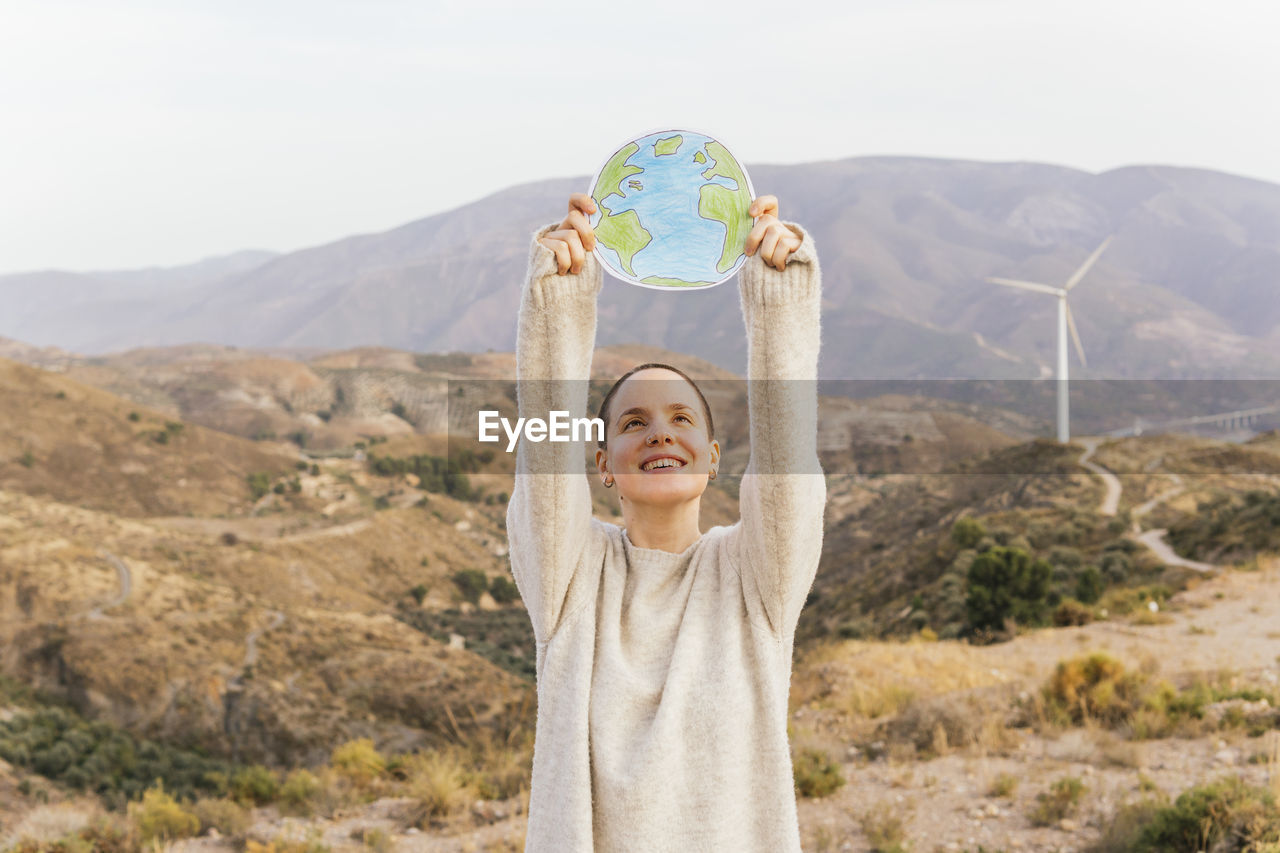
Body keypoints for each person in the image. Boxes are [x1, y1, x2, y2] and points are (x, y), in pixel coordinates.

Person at [507, 191, 826, 852]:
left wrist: (778, 301)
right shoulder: (571, 581)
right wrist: (559, 304)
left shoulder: (754, 581)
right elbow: (543, 455)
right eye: (634, 422)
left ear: (713, 460)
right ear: (601, 464)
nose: (660, 435)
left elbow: (787, 451)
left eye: (682, 418)